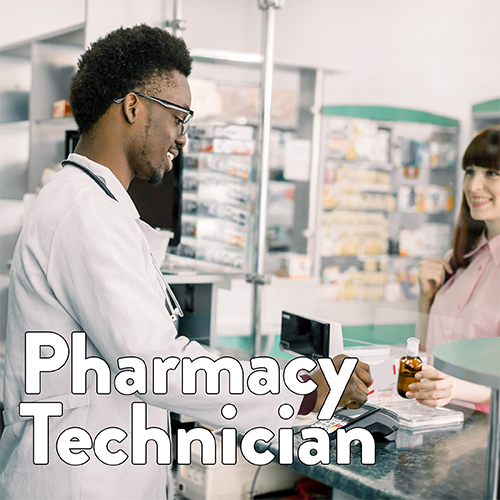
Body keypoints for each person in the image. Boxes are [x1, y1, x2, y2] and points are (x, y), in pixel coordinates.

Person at [0, 25, 371, 499]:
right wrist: (304, 389)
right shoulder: (83, 212)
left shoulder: (95, 204)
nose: (182, 137)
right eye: (178, 117)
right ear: (134, 107)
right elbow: (154, 364)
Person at [406, 126, 500, 410]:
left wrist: (456, 387)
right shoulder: (458, 259)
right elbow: (423, 351)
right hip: (436, 422)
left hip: (485, 436)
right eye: (470, 171)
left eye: (491, 174)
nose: (473, 186)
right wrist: (427, 300)